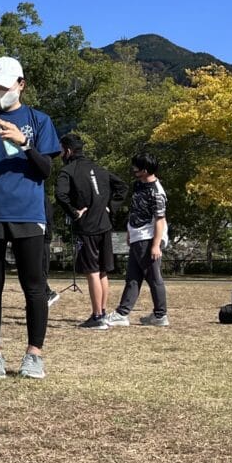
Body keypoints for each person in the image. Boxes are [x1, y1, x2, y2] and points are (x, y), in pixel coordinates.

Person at [0, 56, 62, 380]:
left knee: (34, 287)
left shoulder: (39, 119)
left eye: (4, 87)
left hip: (28, 214)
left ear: (21, 85)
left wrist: (24, 142)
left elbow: (45, 170)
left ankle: (34, 354)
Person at [54, 134, 126, 330]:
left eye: (61, 150)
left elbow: (60, 194)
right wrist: (110, 207)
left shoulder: (68, 171)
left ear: (67, 151)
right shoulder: (100, 169)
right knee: (103, 271)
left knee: (92, 271)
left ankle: (97, 317)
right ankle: (102, 312)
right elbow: (121, 186)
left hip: (87, 227)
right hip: (104, 225)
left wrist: (74, 213)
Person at [105, 153, 170, 327]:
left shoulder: (157, 193)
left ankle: (160, 314)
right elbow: (134, 210)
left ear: (145, 170)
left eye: (136, 167)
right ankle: (122, 313)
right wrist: (129, 231)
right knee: (133, 277)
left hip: (147, 238)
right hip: (137, 236)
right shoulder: (138, 185)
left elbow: (160, 220)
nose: (133, 169)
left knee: (153, 277)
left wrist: (156, 245)